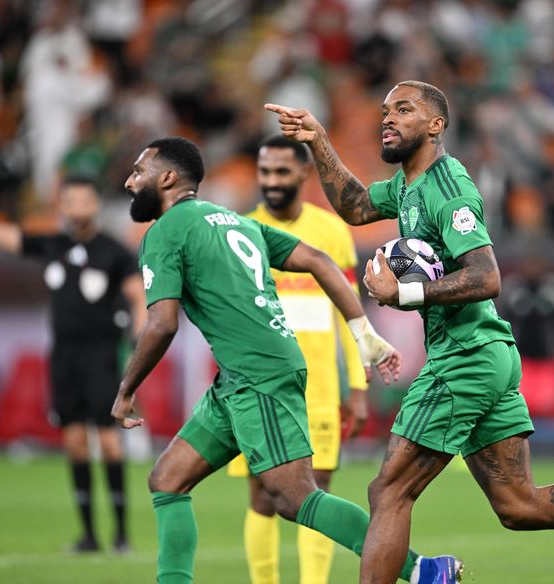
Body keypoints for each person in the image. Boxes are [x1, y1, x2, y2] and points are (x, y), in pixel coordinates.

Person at [265, 80, 554, 584]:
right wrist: (318, 140)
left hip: (464, 357)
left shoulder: (449, 189)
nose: (388, 118)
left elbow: (487, 276)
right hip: (485, 353)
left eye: (404, 109)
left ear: (436, 125)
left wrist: (407, 295)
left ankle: (426, 575)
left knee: (389, 491)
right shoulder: (408, 186)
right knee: (519, 504)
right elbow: (356, 207)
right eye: (385, 110)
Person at [113, 137, 460, 584]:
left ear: (166, 178)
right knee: (167, 479)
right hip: (241, 375)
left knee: (295, 499)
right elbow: (317, 259)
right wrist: (363, 334)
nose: (128, 181)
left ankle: (422, 570)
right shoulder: (235, 221)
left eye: (137, 172)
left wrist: (126, 390)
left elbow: (161, 324)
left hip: (259, 376)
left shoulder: (166, 231)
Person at [0, 176, 146, 553]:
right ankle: (89, 536)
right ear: (62, 206)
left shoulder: (113, 252)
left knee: (109, 443)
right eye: (70, 200)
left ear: (94, 205)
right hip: (63, 355)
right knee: (75, 442)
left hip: (103, 355)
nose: (77, 207)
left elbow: (137, 295)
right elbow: (0, 236)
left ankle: (122, 534)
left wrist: (138, 342)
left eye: (83, 200)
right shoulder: (53, 245)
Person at [224, 134, 369, 584]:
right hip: (257, 387)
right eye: (264, 172)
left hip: (320, 389)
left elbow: (350, 314)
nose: (271, 181)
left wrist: (359, 387)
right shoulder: (236, 231)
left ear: (305, 173)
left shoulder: (331, 232)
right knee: (263, 496)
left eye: (281, 171)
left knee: (317, 495)